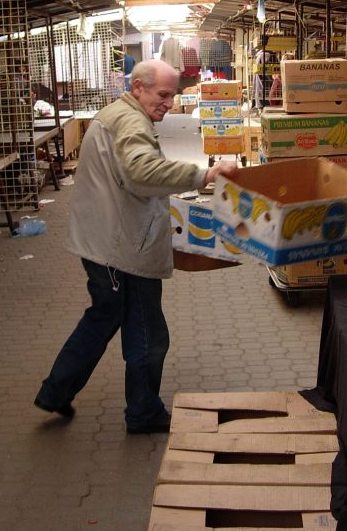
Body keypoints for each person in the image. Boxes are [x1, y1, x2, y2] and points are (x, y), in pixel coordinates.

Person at [35, 58, 239, 433]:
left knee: (102, 318)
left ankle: (55, 392)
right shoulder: (130, 122)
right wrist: (204, 174)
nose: (169, 104)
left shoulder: (117, 115)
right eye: (162, 95)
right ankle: (143, 413)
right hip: (122, 251)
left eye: (173, 95)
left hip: (103, 243)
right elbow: (142, 172)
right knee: (147, 333)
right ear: (137, 88)